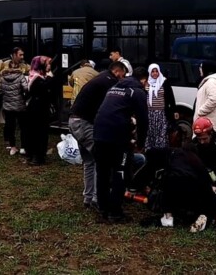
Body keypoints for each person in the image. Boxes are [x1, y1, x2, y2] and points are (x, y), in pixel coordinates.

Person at [69, 61, 128, 210]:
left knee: (89, 161)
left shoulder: (101, 79)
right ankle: (97, 198)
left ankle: (88, 198)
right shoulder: (110, 82)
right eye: (123, 74)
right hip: (84, 123)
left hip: (75, 121)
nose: (123, 78)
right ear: (116, 71)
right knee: (101, 159)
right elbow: (111, 106)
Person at [93, 67, 149, 223]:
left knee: (103, 172)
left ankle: (103, 208)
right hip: (117, 135)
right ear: (143, 80)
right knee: (120, 171)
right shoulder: (137, 92)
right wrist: (141, 143)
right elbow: (143, 120)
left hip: (99, 132)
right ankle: (115, 213)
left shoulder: (115, 87)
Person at [133, 146, 216, 232]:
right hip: (199, 194)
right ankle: (203, 212)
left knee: (167, 185)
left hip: (179, 186)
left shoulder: (172, 156)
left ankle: (167, 218)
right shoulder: (195, 161)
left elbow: (150, 161)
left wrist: (141, 185)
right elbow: (207, 186)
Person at [0, 52, 30, 155]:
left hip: (7, 107)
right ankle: (23, 147)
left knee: (10, 127)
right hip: (20, 107)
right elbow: (26, 89)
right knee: (23, 128)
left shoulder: (2, 78)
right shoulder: (21, 77)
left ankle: (13, 147)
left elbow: (0, 91)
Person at [145, 63, 177, 150]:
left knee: (161, 135)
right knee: (150, 134)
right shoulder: (146, 82)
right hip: (149, 114)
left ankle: (161, 153)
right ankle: (150, 153)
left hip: (161, 114)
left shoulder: (164, 81)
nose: (155, 73)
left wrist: (174, 111)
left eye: (156, 71)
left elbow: (171, 97)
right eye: (152, 72)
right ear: (149, 73)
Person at [194, 60, 216, 134]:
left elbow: (213, 99)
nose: (199, 69)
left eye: (201, 67)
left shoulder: (211, 82)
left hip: (209, 122)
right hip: (210, 121)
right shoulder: (212, 81)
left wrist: (200, 111)